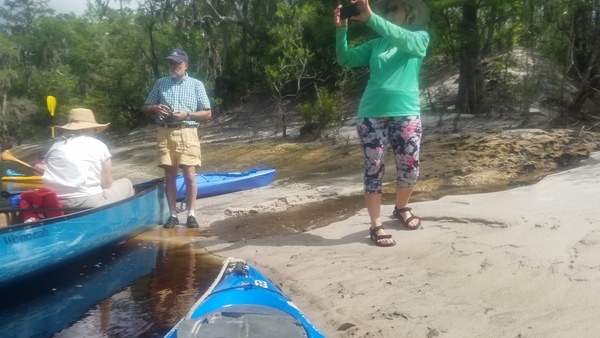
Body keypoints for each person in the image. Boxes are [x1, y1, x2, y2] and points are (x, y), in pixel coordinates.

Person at [334, 0, 430, 247]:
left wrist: (372, 19)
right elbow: (345, 58)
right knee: (373, 169)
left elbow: (402, 39)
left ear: (409, 13)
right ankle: (376, 224)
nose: (390, 11)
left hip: (406, 112)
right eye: (386, 8)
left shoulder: (419, 38)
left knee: (410, 168)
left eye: (395, 7)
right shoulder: (375, 44)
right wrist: (342, 28)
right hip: (371, 114)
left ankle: (401, 208)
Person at [142, 48, 212, 229]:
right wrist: (155, 108)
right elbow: (145, 108)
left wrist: (187, 114)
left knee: (190, 176)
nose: (173, 66)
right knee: (169, 176)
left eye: (176, 63)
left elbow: (208, 113)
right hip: (165, 132)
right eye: (170, 63)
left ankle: (191, 214)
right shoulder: (160, 83)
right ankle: (173, 214)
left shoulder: (196, 84)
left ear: (185, 65)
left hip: (188, 131)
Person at [42, 108, 134, 208]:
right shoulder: (99, 145)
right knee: (127, 183)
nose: (95, 132)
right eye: (95, 129)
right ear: (90, 129)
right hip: (86, 201)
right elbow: (106, 184)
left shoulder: (55, 147)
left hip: (53, 202)